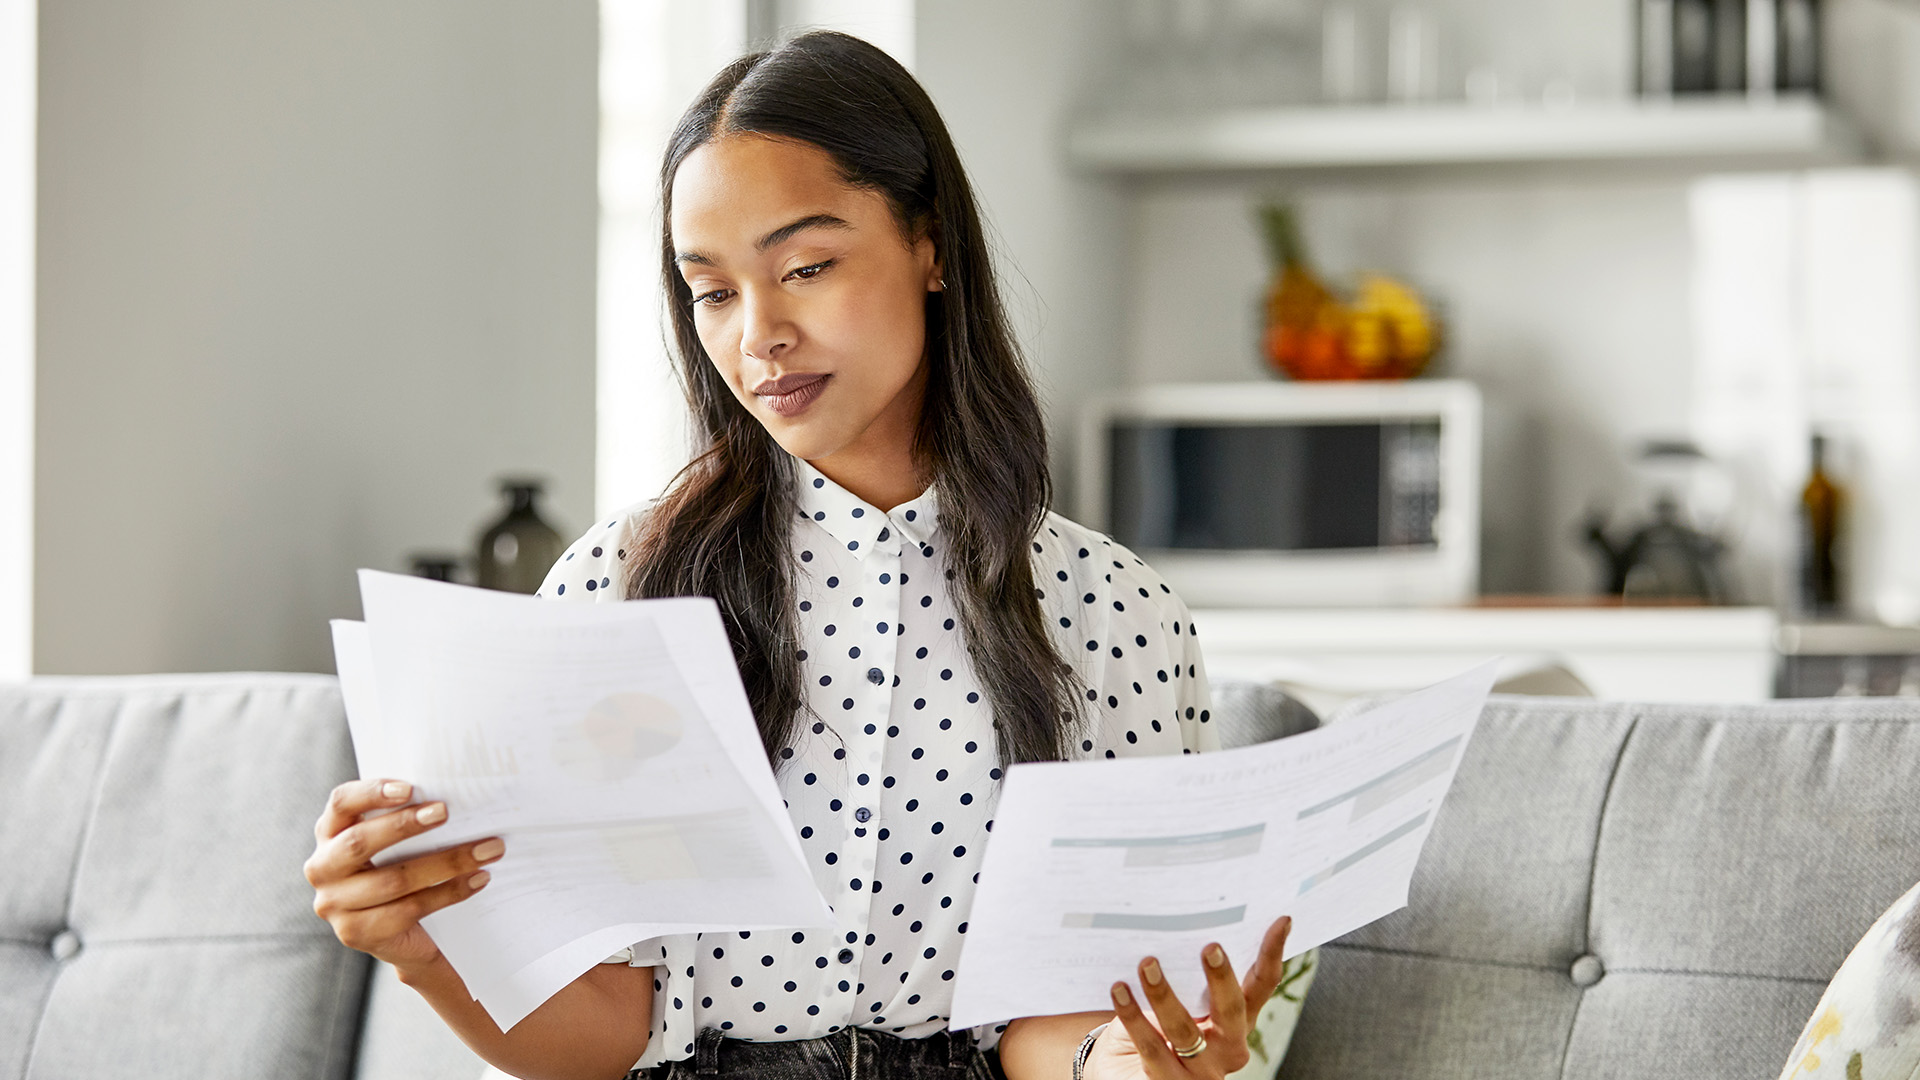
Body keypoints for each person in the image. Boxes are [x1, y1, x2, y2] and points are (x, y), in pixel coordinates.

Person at [304, 30, 1293, 1080]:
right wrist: (417, 949)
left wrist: (1139, 1061)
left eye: (806, 268)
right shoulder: (616, 589)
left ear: (931, 244)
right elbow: (608, 1033)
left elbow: (1053, 1030)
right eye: (714, 292)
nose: (758, 335)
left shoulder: (1116, 612)